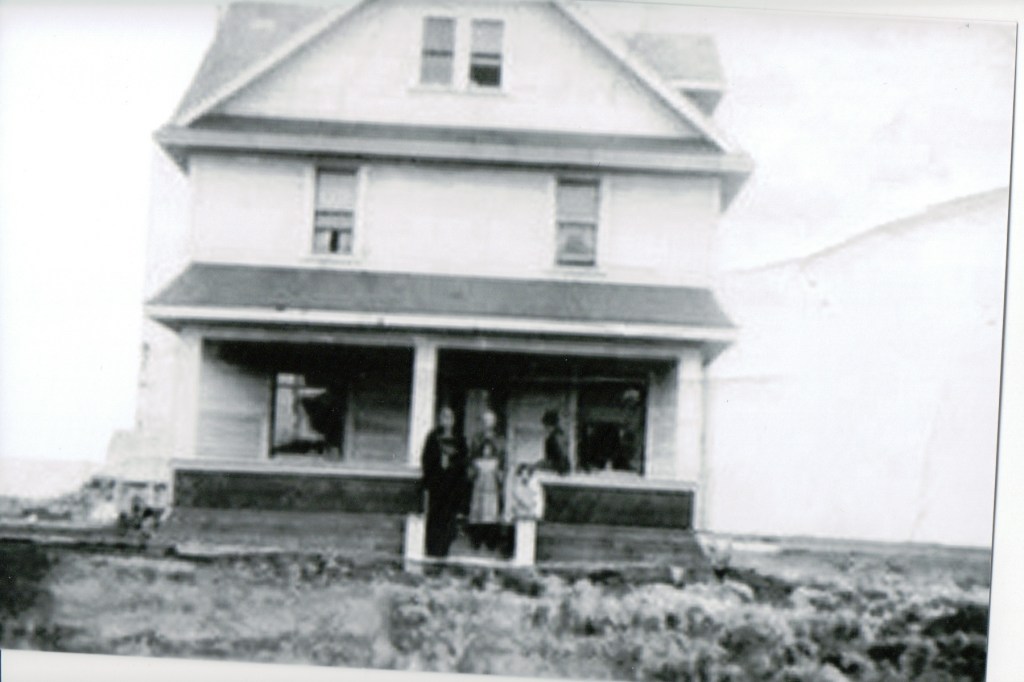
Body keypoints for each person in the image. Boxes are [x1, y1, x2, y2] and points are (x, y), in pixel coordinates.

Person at [420, 406, 468, 558]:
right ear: (440, 420)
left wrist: (452, 462)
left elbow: (463, 461)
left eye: (450, 418)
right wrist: (437, 465)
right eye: (444, 417)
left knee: (449, 519)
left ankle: (445, 549)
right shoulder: (433, 437)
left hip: (452, 485)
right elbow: (426, 459)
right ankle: (432, 549)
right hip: (437, 484)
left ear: (453, 421)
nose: (447, 421)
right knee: (435, 518)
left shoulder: (459, 439)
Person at [466, 410, 506, 549]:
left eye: (490, 421)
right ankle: (476, 539)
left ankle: (490, 540)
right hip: (479, 473)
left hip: (492, 475)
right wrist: (473, 469)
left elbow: (502, 458)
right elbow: (471, 456)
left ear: (494, 423)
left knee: (491, 507)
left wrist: (500, 473)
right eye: (485, 421)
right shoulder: (476, 438)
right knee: (478, 506)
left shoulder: (499, 440)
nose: (487, 424)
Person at [540, 409, 571, 475]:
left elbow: (562, 457)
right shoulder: (551, 438)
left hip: (560, 471)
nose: (546, 428)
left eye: (547, 425)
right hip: (554, 470)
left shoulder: (558, 437)